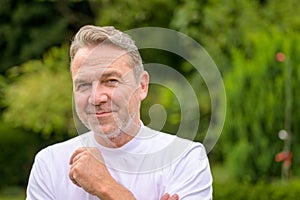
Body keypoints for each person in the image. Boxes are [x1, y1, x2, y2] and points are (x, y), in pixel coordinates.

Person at [26, 25, 213, 200]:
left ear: (142, 85)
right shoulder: (49, 164)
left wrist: (105, 186)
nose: (96, 98)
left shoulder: (184, 158)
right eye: (83, 85)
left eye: (111, 81)